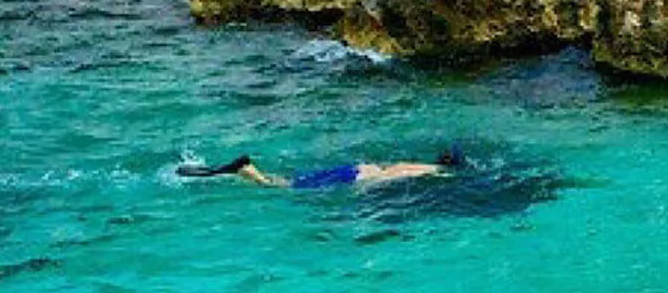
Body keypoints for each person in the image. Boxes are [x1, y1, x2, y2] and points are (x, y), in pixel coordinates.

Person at [177, 149, 464, 189]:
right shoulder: (431, 171)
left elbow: (394, 168)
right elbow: (390, 178)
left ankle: (215, 171)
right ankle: (246, 169)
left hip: (354, 167)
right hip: (356, 176)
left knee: (289, 180)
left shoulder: (417, 163)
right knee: (285, 188)